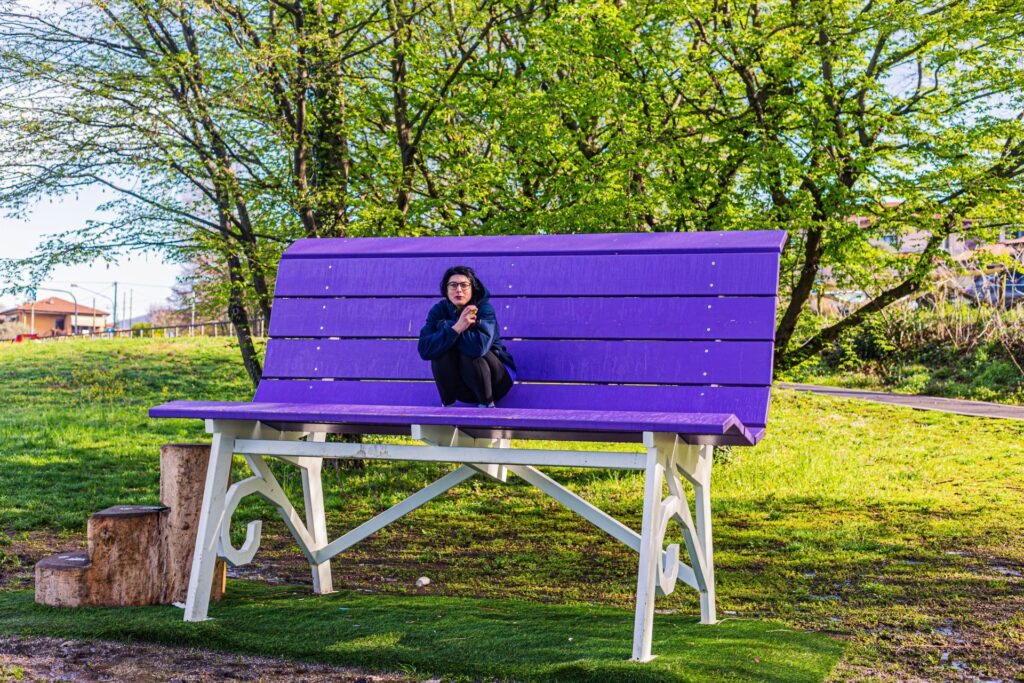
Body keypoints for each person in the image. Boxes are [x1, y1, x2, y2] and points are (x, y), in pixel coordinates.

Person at [417, 266, 517, 407]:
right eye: (453, 285)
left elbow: (478, 349)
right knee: (440, 353)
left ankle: (487, 406)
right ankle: (448, 407)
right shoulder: (438, 310)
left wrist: (446, 328)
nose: (458, 290)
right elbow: (425, 350)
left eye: (464, 285)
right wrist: (457, 327)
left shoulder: (484, 309)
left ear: (473, 288)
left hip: (497, 382)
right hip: (462, 388)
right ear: (446, 289)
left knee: (469, 352)